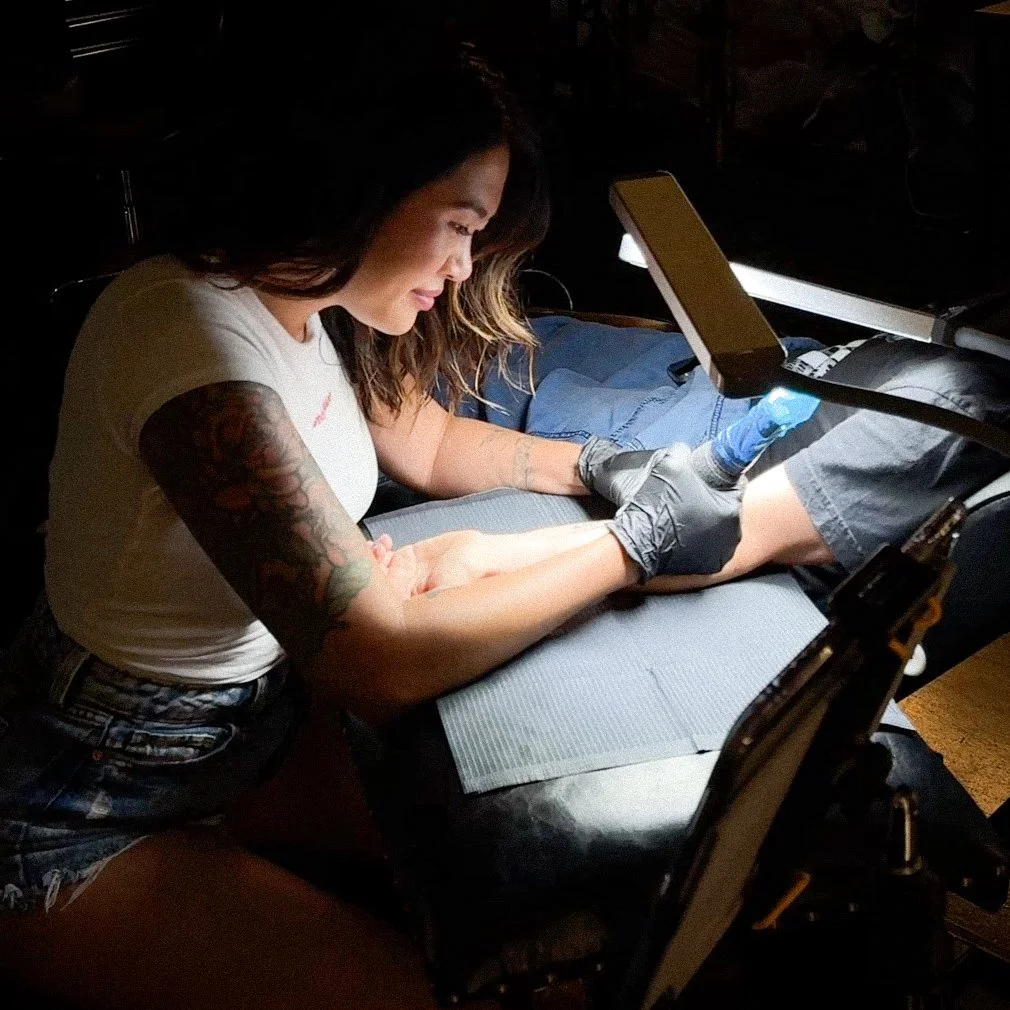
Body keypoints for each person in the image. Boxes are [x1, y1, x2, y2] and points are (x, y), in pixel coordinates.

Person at [0, 19, 746, 1010]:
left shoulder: (304, 300)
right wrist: (630, 544)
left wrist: (605, 463)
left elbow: (427, 442)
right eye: (458, 221)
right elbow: (374, 658)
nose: (463, 262)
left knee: (565, 871)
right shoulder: (186, 338)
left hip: (248, 738)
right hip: (87, 804)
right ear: (362, 182)